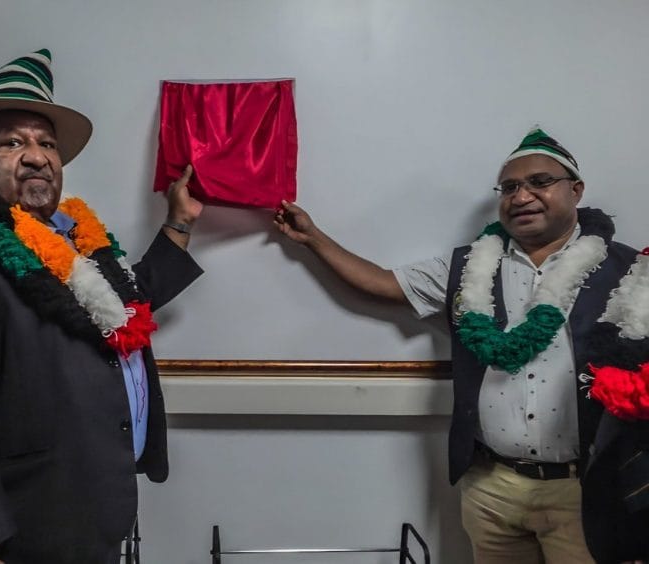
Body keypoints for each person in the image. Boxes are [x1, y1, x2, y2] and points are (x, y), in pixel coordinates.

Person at [0, 49, 203, 564]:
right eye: (11, 142)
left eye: (46, 143)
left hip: (88, 513)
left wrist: (180, 222)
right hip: (19, 529)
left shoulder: (79, 247)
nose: (37, 155)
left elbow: (124, 305)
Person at [275, 128, 649, 564]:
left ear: (576, 190)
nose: (522, 195)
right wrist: (314, 238)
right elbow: (383, 283)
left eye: (540, 182)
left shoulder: (630, 271)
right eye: (509, 187)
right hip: (492, 487)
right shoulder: (468, 266)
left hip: (588, 488)